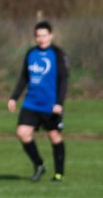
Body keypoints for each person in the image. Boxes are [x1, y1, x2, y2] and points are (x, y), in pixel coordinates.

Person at [8, 20, 69, 183]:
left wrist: (59, 103)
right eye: (38, 36)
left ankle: (59, 174)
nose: (41, 39)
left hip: (50, 105)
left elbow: (64, 80)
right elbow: (24, 77)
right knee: (22, 132)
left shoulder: (58, 54)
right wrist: (14, 97)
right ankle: (39, 164)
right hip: (31, 103)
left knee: (54, 136)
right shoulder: (31, 54)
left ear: (51, 36)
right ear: (35, 37)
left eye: (44, 35)